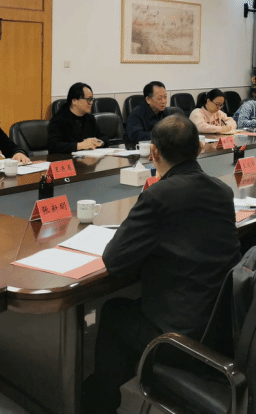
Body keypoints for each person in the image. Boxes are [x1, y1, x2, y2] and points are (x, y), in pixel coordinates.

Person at [81, 116, 240, 413]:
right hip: (221, 328)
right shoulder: (222, 190)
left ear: (153, 153)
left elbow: (115, 260)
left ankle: (101, 400)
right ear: (199, 149)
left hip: (181, 340)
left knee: (115, 311)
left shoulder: (158, 195)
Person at [47, 82, 108, 153]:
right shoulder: (59, 120)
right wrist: (80, 145)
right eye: (88, 99)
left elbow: (104, 137)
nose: (91, 103)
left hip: (88, 158)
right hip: (67, 159)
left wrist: (99, 142)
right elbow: (53, 146)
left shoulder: (90, 118)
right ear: (74, 101)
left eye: (92, 99)